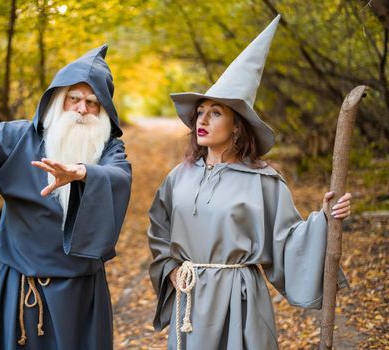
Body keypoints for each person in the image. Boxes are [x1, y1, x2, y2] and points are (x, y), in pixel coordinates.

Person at [147, 16, 350, 350]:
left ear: (237, 126)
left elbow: (287, 239)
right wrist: (169, 266)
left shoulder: (263, 181)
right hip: (191, 295)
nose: (202, 119)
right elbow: (159, 226)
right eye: (200, 112)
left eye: (215, 113)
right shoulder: (179, 176)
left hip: (238, 300)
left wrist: (325, 219)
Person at [0, 45, 132, 349]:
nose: (81, 109)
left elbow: (120, 176)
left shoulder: (108, 150)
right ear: (57, 99)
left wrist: (82, 173)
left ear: (104, 111)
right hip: (17, 282)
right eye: (74, 98)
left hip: (78, 290)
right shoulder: (18, 137)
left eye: (93, 103)